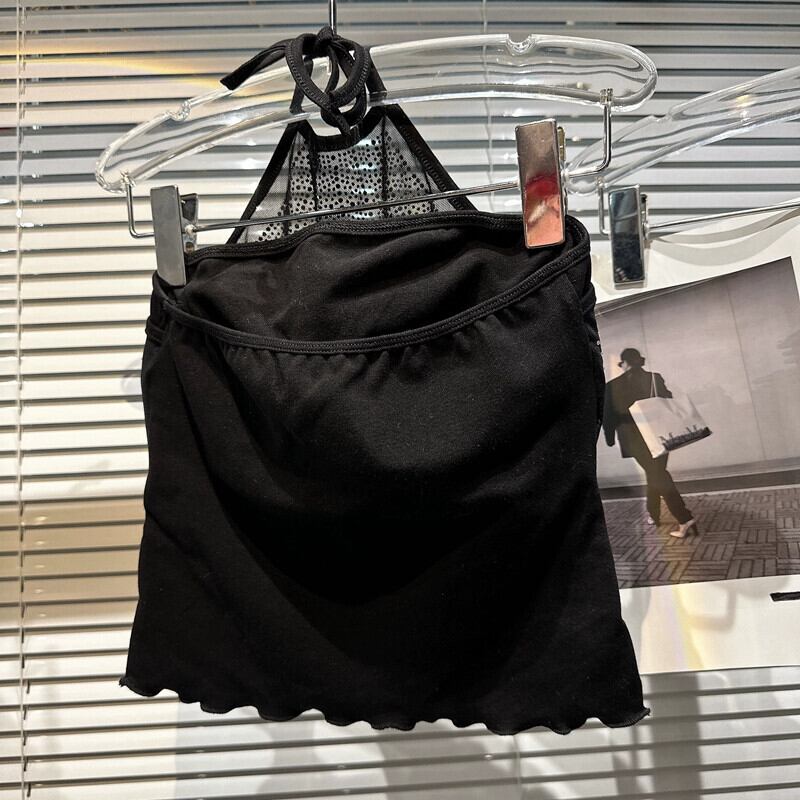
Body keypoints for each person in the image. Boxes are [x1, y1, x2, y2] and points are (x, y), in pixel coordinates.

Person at [602, 348, 698, 538]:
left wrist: (610, 438)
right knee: (655, 473)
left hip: (632, 438)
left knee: (657, 474)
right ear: (639, 361)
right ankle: (654, 514)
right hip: (659, 435)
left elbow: (608, 415)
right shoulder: (654, 378)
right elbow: (667, 400)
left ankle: (684, 518)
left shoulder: (612, 386)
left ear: (624, 363)